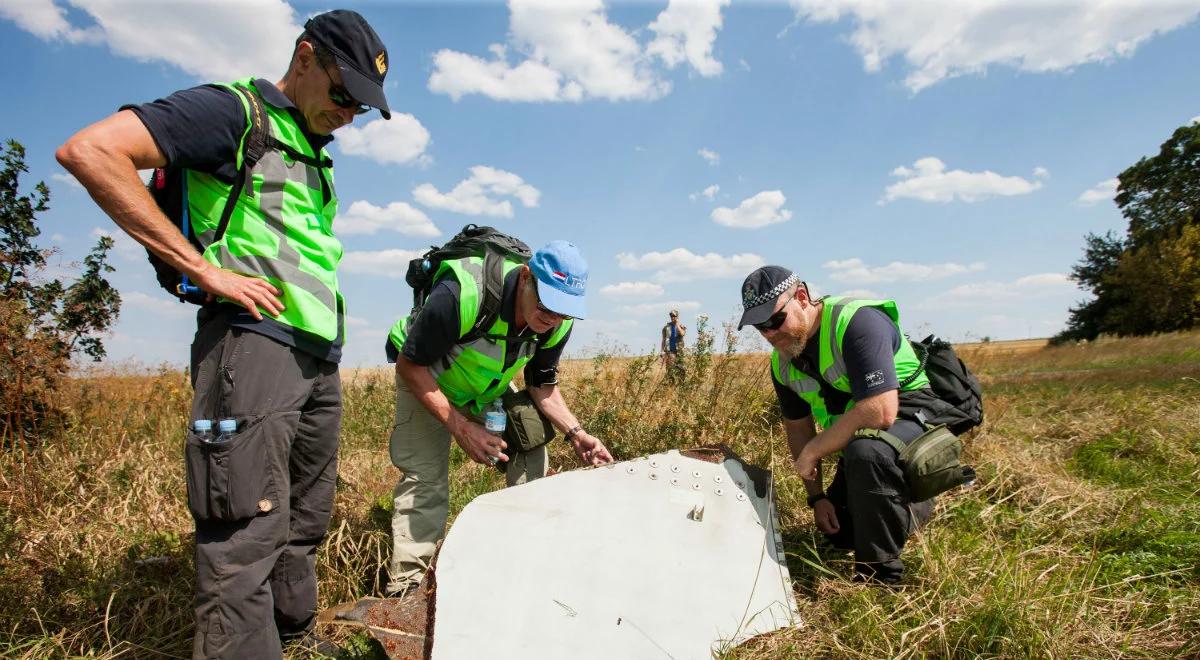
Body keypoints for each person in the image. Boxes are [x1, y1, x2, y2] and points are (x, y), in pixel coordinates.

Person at [56, 10, 391, 657]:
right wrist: (203, 269)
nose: (350, 113)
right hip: (252, 344)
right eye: (343, 92)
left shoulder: (311, 154)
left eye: (363, 107)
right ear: (304, 58)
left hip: (316, 358)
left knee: (302, 518)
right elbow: (92, 151)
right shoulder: (235, 114)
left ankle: (293, 638)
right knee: (244, 532)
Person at [383, 240, 614, 595]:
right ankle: (406, 589)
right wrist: (461, 428)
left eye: (564, 312)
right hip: (427, 377)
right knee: (426, 478)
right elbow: (410, 364)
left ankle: (522, 555)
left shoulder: (557, 323)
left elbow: (541, 386)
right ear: (525, 277)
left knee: (532, 443)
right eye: (547, 304)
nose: (552, 318)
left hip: (483, 388)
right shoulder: (463, 293)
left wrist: (576, 433)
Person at [737, 266, 941, 584]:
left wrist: (814, 451)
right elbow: (798, 429)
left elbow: (880, 411)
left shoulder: (857, 323)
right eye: (760, 327)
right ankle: (902, 506)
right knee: (842, 532)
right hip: (861, 436)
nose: (771, 334)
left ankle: (879, 575)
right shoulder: (783, 363)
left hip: (912, 418)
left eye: (776, 320)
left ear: (802, 297)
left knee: (867, 451)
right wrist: (817, 499)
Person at [660, 309, 687, 373]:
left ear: (677, 317)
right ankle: (671, 383)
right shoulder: (666, 327)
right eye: (671, 316)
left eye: (674, 316)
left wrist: (677, 324)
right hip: (670, 351)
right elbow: (663, 339)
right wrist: (661, 351)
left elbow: (682, 334)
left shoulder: (681, 326)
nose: (672, 317)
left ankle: (681, 383)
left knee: (682, 370)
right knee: (670, 371)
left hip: (679, 351)